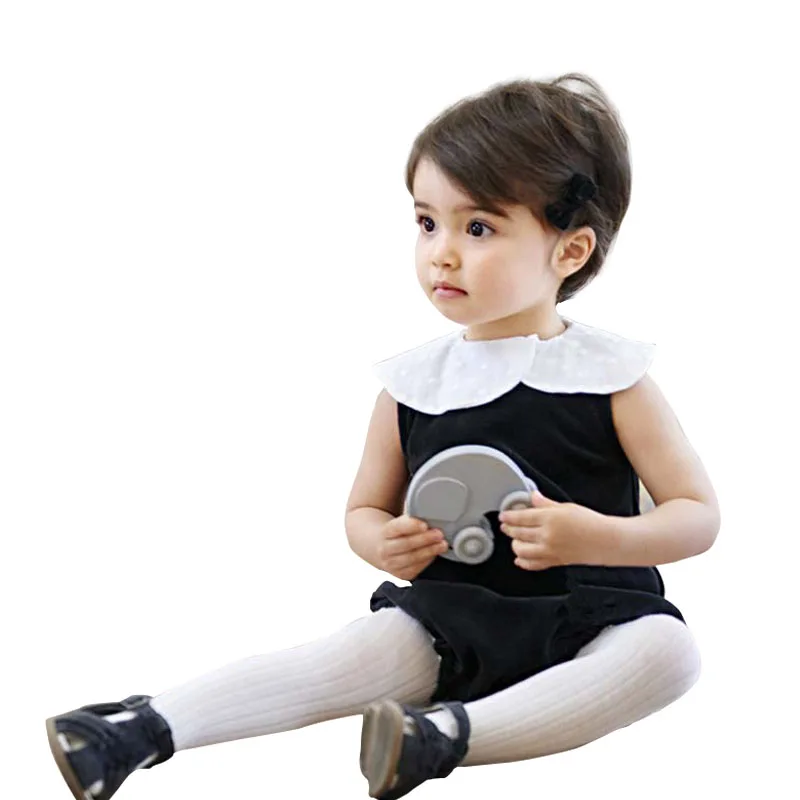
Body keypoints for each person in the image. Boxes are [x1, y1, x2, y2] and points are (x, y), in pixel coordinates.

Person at [45, 72, 720, 800]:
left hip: (597, 613)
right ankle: (136, 729)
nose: (442, 254)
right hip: (450, 620)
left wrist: (595, 536)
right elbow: (364, 510)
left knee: (669, 651)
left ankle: (441, 737)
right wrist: (382, 542)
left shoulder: (613, 378)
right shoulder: (412, 387)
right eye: (427, 223)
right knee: (340, 657)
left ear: (571, 251)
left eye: (478, 228)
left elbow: (697, 516)